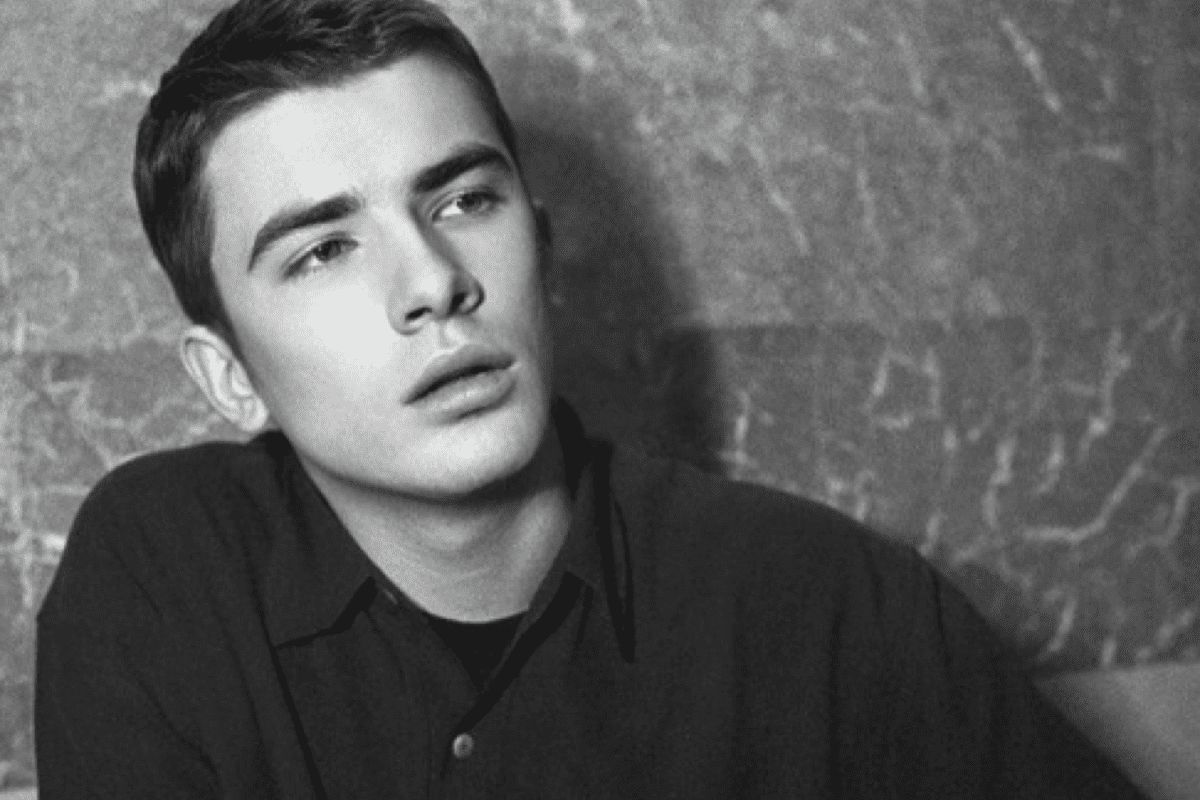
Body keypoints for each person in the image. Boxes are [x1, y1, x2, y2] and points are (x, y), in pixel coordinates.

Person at [34, 0, 1146, 797]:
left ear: (543, 245)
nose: (434, 283)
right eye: (323, 249)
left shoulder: (838, 606)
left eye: (463, 200)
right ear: (231, 378)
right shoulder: (165, 572)